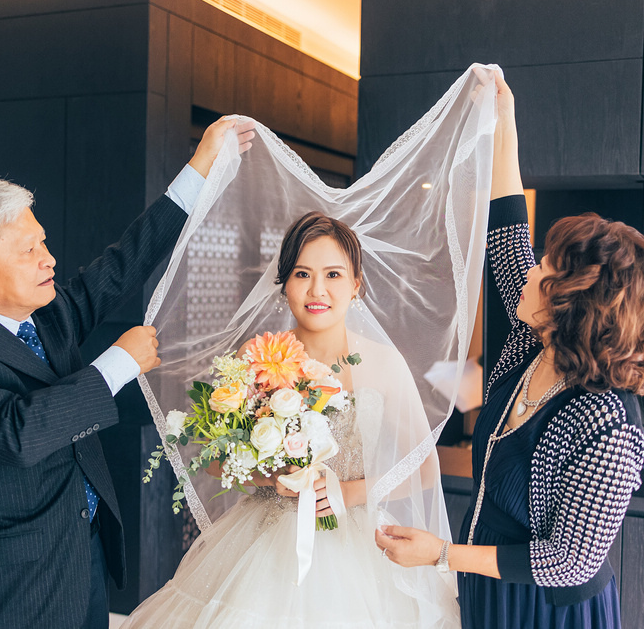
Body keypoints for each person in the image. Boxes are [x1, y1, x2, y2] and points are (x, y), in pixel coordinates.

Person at [0, 117, 255, 629]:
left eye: (42, 242)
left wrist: (200, 167)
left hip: (83, 556)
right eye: (29, 252)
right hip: (7, 587)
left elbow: (123, 265)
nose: (50, 259)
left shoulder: (47, 310)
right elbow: (15, 432)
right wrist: (119, 364)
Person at [375, 71, 644, 629]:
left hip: (545, 606)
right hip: (486, 577)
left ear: (573, 306)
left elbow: (568, 562)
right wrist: (504, 119)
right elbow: (506, 234)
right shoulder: (535, 340)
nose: (530, 270)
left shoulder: (608, 424)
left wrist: (442, 555)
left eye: (546, 270)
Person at [122, 212, 460, 628]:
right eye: (302, 273)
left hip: (355, 543)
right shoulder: (253, 357)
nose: (317, 289)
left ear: (357, 286)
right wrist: (270, 480)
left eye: (333, 274)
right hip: (259, 537)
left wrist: (347, 493)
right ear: (284, 285)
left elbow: (423, 469)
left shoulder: (384, 363)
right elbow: (213, 459)